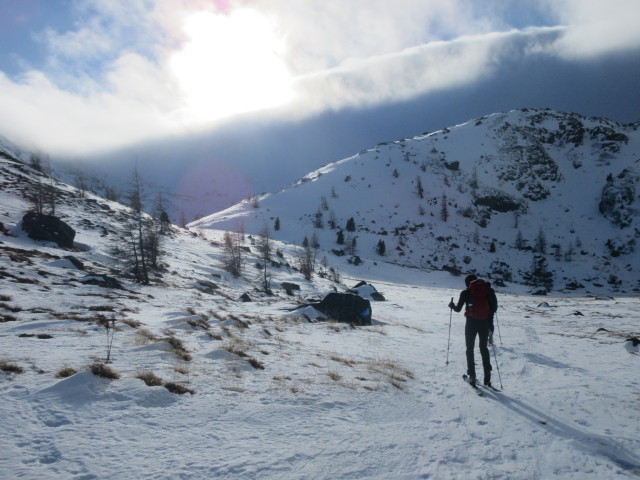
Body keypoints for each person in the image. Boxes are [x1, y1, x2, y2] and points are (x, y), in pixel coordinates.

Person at [448, 274, 498, 387]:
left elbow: (458, 309)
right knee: (483, 348)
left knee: (469, 349)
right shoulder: (488, 290)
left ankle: (472, 376)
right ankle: (487, 376)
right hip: (484, 323)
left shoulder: (466, 292)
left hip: (471, 323)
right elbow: (494, 308)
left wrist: (451, 305)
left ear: (467, 283)